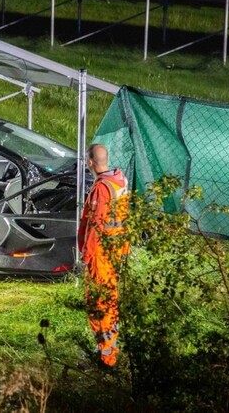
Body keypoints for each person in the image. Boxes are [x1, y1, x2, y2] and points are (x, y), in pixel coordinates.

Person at [78, 143, 130, 367]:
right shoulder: (120, 180)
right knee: (108, 300)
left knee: (99, 303)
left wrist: (86, 255)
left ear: (90, 162)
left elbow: (95, 226)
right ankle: (107, 349)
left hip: (101, 254)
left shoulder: (101, 188)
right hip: (115, 249)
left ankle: (106, 357)